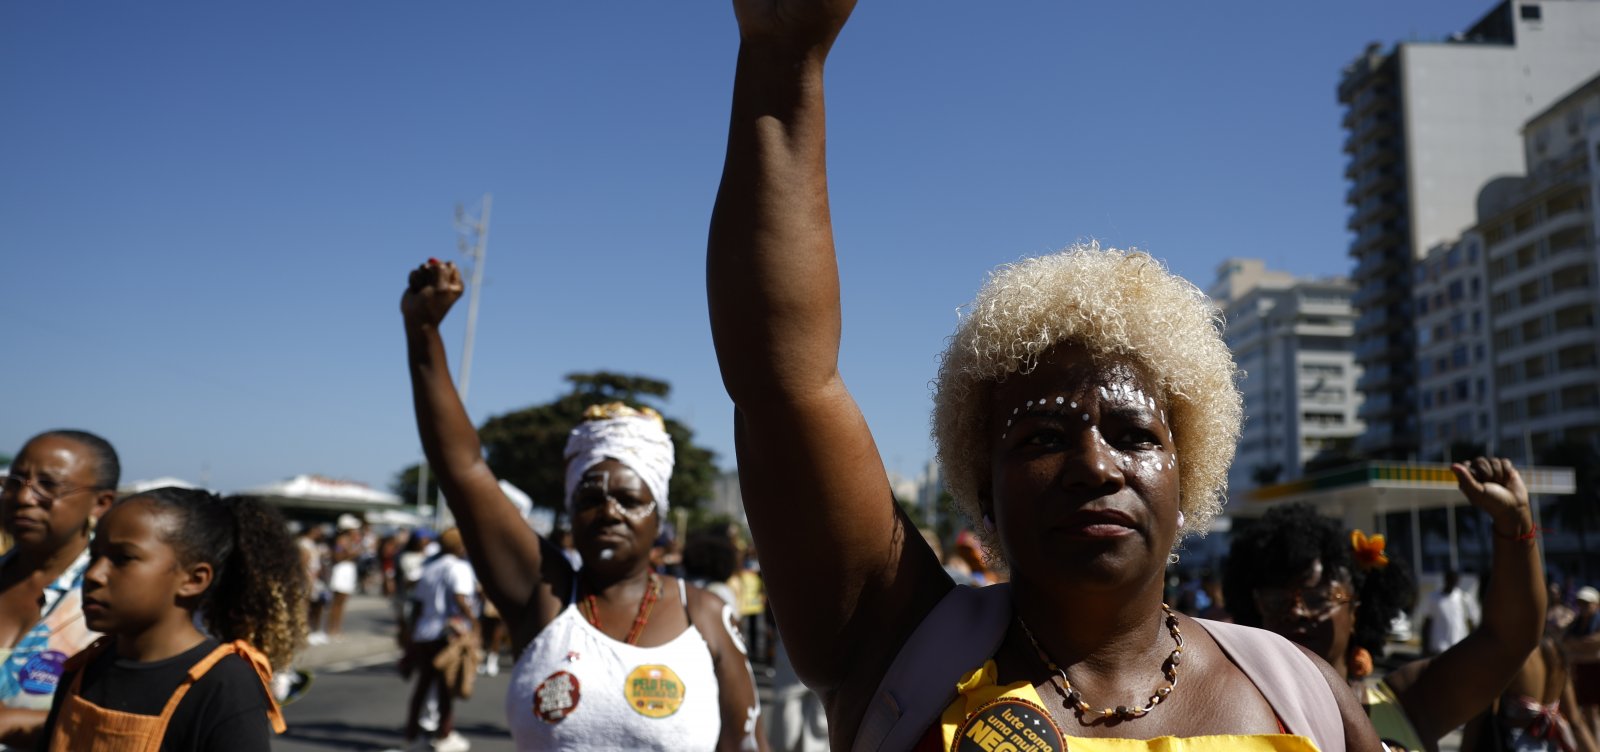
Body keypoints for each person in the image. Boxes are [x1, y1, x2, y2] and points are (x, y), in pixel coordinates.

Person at [705, 3, 1380, 750]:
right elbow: (783, 382)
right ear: (982, 487)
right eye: (1042, 436)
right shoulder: (897, 646)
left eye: (1133, 434)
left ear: (1186, 475)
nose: (1095, 465)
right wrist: (783, 54)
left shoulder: (1300, 690)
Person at [401, 260, 765, 751]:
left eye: (631, 500)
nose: (610, 511)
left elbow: (750, 746)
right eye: (591, 497)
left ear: (658, 514)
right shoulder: (544, 596)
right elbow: (462, 469)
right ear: (570, 511)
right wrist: (423, 333)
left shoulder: (704, 615)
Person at [1225, 460, 1545, 752]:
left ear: (1357, 611)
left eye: (1318, 598)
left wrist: (1514, 522)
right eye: (1277, 601)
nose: (1297, 611)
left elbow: (1508, 639)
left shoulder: (1410, 702)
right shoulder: (1237, 714)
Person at [33, 488, 305, 750]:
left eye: (123, 558)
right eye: (94, 556)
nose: (93, 574)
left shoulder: (223, 683)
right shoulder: (83, 668)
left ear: (193, 579)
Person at [0, 430, 119, 749]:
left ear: (101, 504)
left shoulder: (119, 600)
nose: (25, 498)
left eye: (49, 485)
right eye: (16, 481)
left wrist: (17, 722)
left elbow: (134, 715)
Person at [400, 527, 477, 752]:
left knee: (423, 685)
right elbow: (460, 598)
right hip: (447, 634)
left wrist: (411, 634)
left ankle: (413, 735)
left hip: (424, 632)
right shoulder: (459, 567)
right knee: (446, 687)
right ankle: (444, 733)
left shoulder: (430, 566)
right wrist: (476, 625)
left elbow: (418, 603)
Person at [1418, 569, 1480, 657]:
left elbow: (1472, 624)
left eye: (1455, 580)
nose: (1453, 582)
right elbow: (1426, 624)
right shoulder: (1433, 598)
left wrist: (1473, 647)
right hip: (1438, 649)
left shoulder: (1464, 598)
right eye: (1451, 579)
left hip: (1459, 648)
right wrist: (1425, 647)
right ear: (1446, 579)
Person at [1570, 587, 1600, 743]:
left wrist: (1577, 645)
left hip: (1595, 670)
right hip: (1582, 670)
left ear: (1596, 604)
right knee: (1585, 711)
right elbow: (1565, 642)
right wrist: (1584, 645)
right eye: (1581, 603)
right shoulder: (1576, 623)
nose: (1583, 606)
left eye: (1587, 603)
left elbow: (1595, 643)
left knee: (1592, 711)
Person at [325, 514, 362, 638]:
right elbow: (337, 557)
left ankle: (337, 628)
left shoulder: (352, 541)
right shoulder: (341, 540)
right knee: (337, 602)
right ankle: (331, 628)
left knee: (342, 602)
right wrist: (352, 554)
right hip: (341, 571)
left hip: (348, 571)